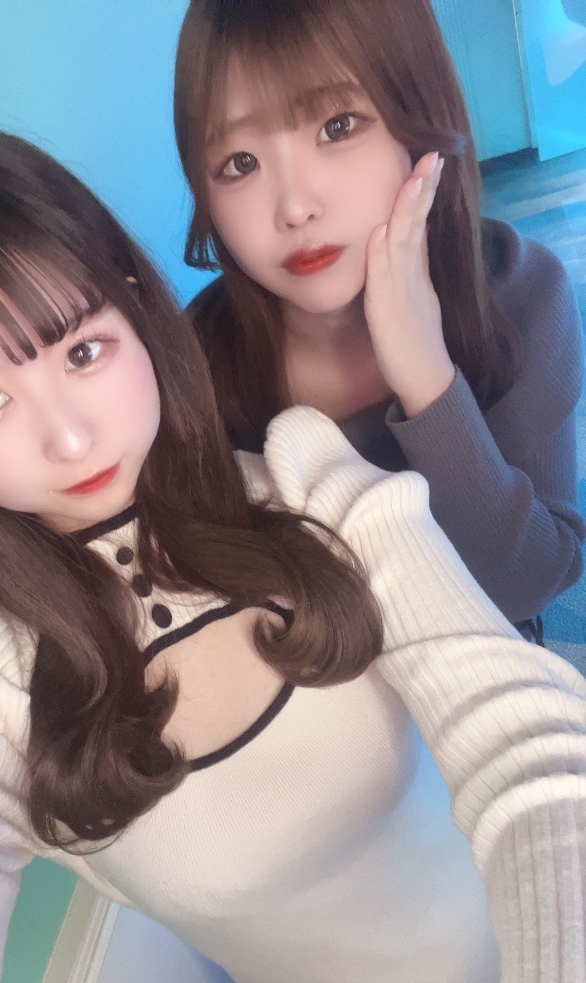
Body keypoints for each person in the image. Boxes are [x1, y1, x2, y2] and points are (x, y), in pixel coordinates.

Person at [0, 121, 586, 983]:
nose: (70, 437)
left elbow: (526, 741)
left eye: (83, 351)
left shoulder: (311, 480)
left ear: (133, 308)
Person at [174, 0, 585, 636]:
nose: (295, 207)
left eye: (337, 127)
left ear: (419, 121)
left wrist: (428, 382)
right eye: (240, 163)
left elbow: (525, 587)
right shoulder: (191, 368)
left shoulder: (519, 294)